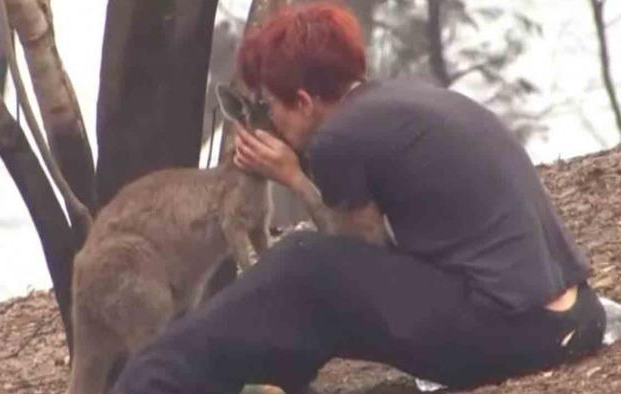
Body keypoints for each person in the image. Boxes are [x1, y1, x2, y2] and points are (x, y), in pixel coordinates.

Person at [113, 2, 605, 393]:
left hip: (513, 333)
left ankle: (150, 382)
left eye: (271, 106)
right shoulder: (406, 101)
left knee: (304, 264)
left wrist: (293, 177)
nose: (271, 121)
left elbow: (357, 258)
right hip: (576, 317)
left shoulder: (339, 138)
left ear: (303, 102)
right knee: (307, 272)